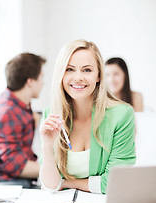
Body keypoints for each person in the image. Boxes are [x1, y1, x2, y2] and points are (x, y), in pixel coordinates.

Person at [39, 40, 136, 194]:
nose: (78, 77)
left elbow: (115, 182)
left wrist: (69, 183)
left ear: (98, 76)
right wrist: (46, 145)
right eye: (70, 69)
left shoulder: (122, 115)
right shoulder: (51, 115)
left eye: (87, 70)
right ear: (61, 75)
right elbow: (50, 186)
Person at [0, 53, 46, 188]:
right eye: (41, 77)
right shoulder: (6, 112)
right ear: (30, 81)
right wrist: (58, 170)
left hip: (8, 178)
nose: (43, 83)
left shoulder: (17, 103)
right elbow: (15, 166)